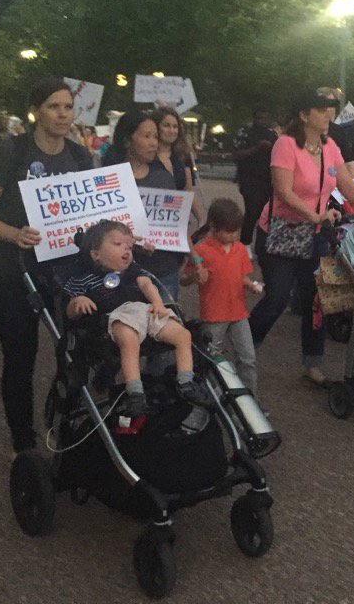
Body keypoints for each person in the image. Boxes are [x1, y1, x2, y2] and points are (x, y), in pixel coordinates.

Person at [0, 77, 95, 454]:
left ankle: (66, 425)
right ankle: (23, 440)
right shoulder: (12, 150)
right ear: (36, 111)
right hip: (12, 272)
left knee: (74, 354)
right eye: (54, 106)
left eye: (68, 107)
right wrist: (14, 234)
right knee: (21, 357)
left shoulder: (79, 156)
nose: (62, 114)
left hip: (63, 273)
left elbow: (91, 212)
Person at [248, 89, 354, 387]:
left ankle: (313, 362)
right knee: (278, 297)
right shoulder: (285, 144)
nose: (328, 114)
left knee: (316, 299)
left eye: (330, 108)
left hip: (315, 234)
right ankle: (245, 348)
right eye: (321, 109)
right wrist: (315, 215)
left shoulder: (329, 146)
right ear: (304, 115)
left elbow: (345, 183)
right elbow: (284, 191)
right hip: (281, 231)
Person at [62, 221, 201, 416]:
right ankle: (135, 391)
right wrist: (77, 302)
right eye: (118, 244)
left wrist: (158, 303)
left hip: (144, 311)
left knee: (183, 335)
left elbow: (146, 285)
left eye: (129, 246)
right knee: (129, 340)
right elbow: (69, 313)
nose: (126, 249)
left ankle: (186, 381)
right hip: (116, 317)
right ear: (96, 254)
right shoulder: (84, 278)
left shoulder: (133, 270)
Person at [103, 109, 196, 300]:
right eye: (147, 136)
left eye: (155, 136)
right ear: (127, 140)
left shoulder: (164, 178)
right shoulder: (108, 180)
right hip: (123, 273)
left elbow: (177, 225)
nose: (154, 143)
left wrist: (196, 259)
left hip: (164, 271)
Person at [181, 198, 262, 395]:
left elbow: (240, 276)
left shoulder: (240, 249)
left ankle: (249, 398)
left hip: (239, 313)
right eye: (229, 231)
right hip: (214, 315)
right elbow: (184, 279)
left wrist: (251, 285)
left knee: (248, 358)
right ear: (214, 227)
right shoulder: (201, 251)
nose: (234, 236)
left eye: (236, 231)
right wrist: (194, 275)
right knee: (211, 360)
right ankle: (211, 397)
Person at [232, 110, 277, 247]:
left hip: (267, 179)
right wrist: (256, 148)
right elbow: (236, 154)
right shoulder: (245, 133)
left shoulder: (272, 134)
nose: (262, 121)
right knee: (252, 211)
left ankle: (262, 243)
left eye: (265, 118)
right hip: (249, 178)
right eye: (260, 118)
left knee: (266, 212)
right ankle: (245, 242)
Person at [317, 87, 354, 180]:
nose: (327, 108)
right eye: (323, 103)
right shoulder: (303, 130)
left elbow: (349, 163)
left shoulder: (338, 131)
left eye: (332, 104)